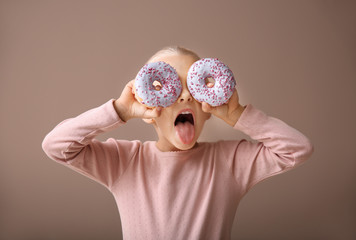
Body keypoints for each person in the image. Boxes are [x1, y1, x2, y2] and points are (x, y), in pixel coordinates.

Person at [42, 46, 314, 239]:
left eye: (194, 87)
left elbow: (297, 148)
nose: (185, 96)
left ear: (207, 111)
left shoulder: (229, 163)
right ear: (148, 109)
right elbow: (56, 145)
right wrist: (120, 111)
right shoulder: (124, 162)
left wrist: (237, 115)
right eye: (169, 87)